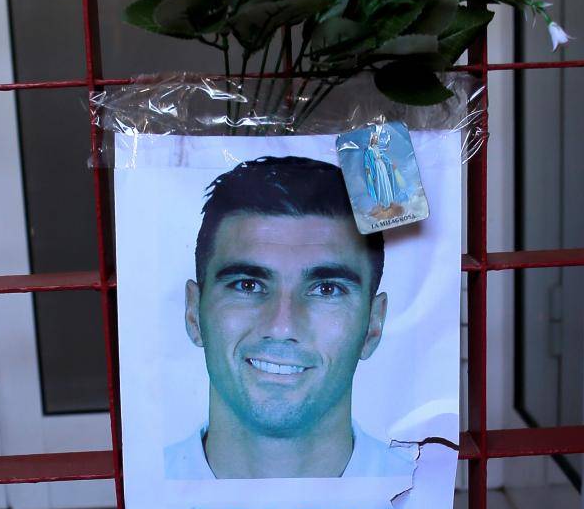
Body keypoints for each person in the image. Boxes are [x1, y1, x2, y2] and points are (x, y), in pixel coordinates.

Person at [165, 155, 410, 480]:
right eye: (247, 285)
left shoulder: (418, 493)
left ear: (373, 326)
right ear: (194, 314)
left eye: (326, 290)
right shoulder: (146, 489)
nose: (282, 326)